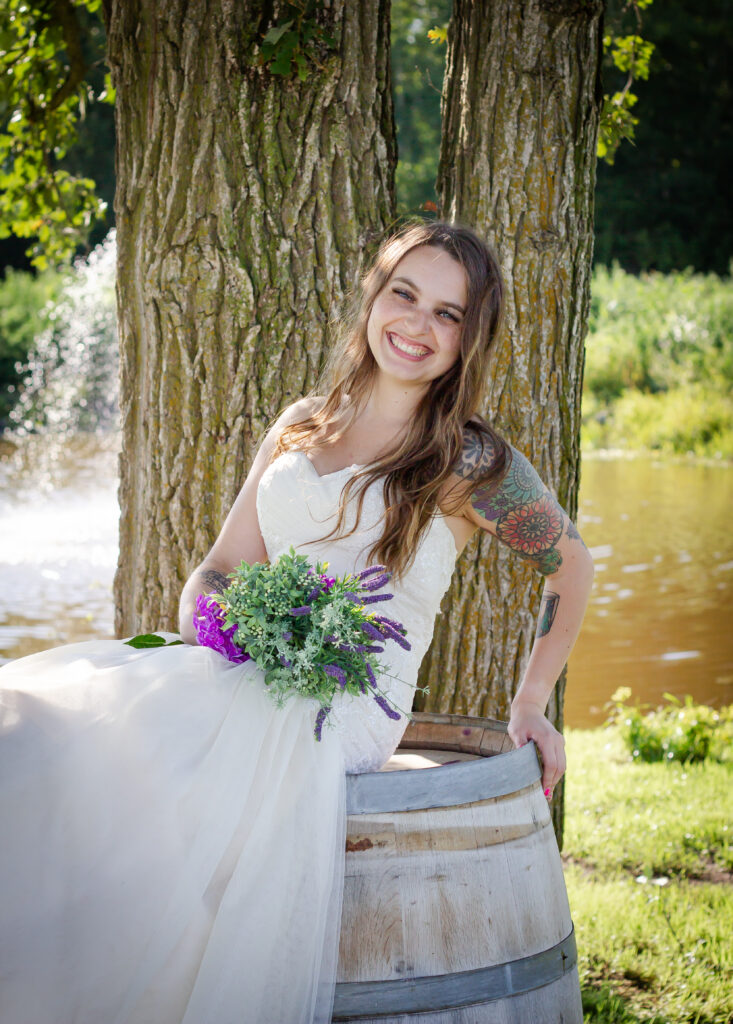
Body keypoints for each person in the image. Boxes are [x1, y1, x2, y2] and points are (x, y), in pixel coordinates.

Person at [0, 219, 594, 1024]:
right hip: (249, 668)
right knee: (48, 725)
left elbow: (570, 564)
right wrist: (228, 628)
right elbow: (216, 570)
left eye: (447, 315)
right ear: (373, 297)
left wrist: (532, 702)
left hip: (348, 708)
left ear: (468, 337)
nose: (416, 326)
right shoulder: (299, 425)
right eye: (404, 295)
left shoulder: (467, 462)